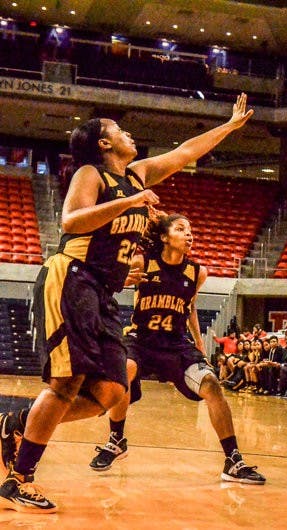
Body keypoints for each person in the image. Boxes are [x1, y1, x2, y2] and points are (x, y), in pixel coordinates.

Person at [0, 94, 253, 513]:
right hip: (72, 278)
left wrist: (228, 126)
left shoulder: (137, 174)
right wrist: (131, 203)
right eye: (118, 130)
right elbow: (71, 221)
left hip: (102, 292)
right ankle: (20, 477)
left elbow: (185, 152)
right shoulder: (91, 174)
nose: (127, 133)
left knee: (112, 391)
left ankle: (20, 423)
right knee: (65, 385)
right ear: (103, 144)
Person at [86, 213, 264, 483]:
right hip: (141, 339)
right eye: (181, 229)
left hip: (176, 344)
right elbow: (108, 281)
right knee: (125, 368)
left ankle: (233, 460)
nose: (189, 234)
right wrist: (122, 280)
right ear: (164, 237)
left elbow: (190, 307)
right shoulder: (142, 262)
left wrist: (201, 345)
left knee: (212, 385)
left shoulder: (197, 272)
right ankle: (116, 439)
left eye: (191, 230)